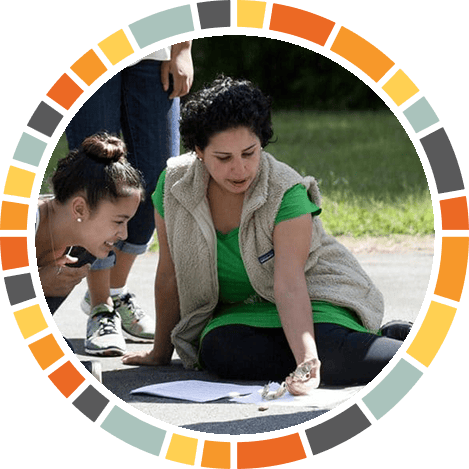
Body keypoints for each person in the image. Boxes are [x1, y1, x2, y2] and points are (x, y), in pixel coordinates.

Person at [122, 77, 412, 395]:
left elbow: (289, 285)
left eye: (249, 153)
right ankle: (347, 348)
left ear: (261, 142)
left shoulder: (286, 191)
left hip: (314, 297)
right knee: (219, 351)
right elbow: (169, 273)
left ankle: (405, 348)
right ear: (199, 152)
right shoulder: (174, 186)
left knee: (334, 353)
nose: (240, 169)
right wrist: (160, 352)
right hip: (243, 314)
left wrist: (307, 362)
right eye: (224, 158)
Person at [65, 41, 194, 356]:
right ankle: (101, 307)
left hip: (154, 50)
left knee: (158, 181)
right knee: (95, 177)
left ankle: (115, 289)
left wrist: (182, 48)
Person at [36, 133, 145, 379]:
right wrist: (37, 284)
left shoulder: (82, 245)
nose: (124, 234)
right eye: (119, 221)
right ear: (79, 208)